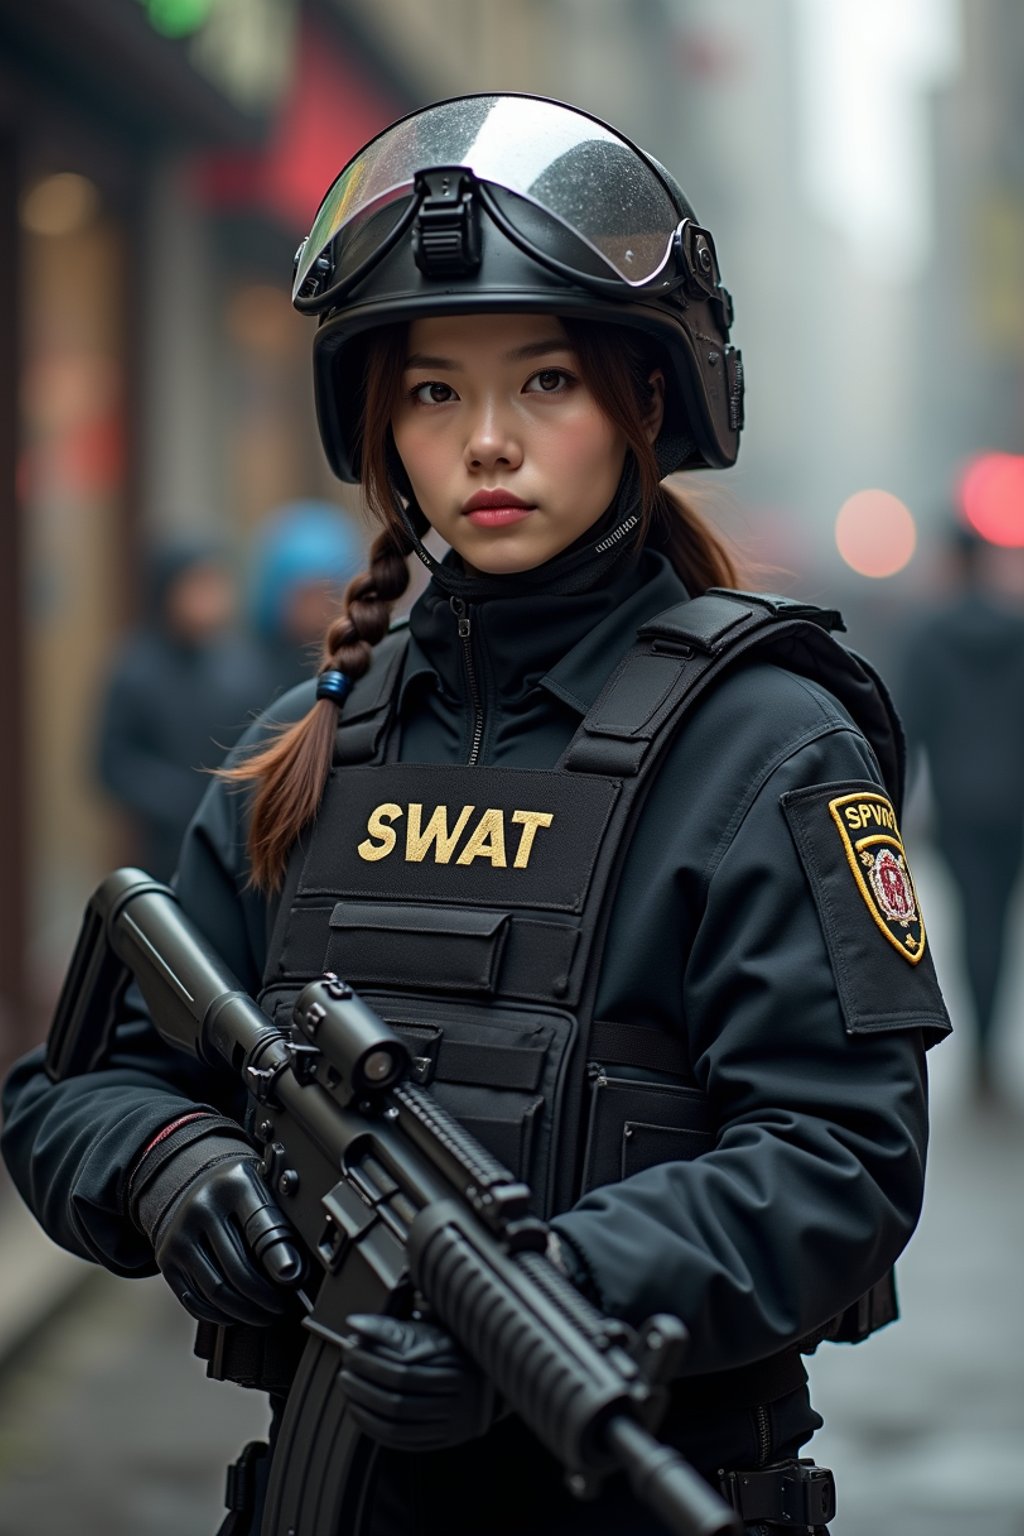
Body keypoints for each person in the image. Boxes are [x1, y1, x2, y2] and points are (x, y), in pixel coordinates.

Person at [2, 94, 951, 1535]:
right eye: (435, 390)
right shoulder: (307, 750)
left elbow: (840, 1158)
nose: (489, 442)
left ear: (646, 400)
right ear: (381, 420)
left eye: (548, 382)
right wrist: (168, 1168)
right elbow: (71, 1094)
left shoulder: (771, 747)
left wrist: (549, 1295)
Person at [900, 522, 1024, 1102]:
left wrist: (894, 813)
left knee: (975, 921)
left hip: (960, 807)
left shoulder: (930, 638)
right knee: (998, 919)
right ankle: (991, 1043)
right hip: (1015, 804)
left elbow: (908, 729)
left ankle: (980, 1051)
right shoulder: (1019, 633)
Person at [95, 537, 270, 881]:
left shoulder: (240, 663)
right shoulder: (136, 669)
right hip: (160, 854)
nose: (210, 599)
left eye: (216, 585)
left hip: (235, 845)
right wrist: (177, 796)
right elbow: (109, 762)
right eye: (197, 586)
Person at [247, 500, 364, 699]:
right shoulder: (247, 675)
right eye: (304, 596)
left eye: (326, 594)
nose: (315, 609)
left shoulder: (362, 665)